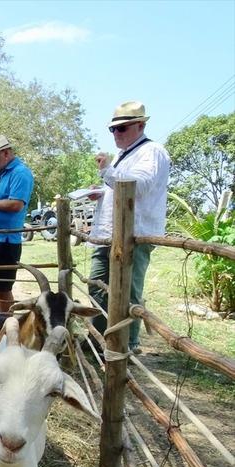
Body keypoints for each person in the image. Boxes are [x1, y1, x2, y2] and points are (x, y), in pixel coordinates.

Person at [88, 101, 171, 353]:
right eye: (113, 129)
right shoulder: (125, 156)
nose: (116, 134)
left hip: (133, 236)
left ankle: (126, 346)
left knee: (127, 293)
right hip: (109, 235)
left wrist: (107, 173)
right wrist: (101, 192)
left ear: (141, 125)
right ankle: (100, 339)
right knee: (98, 287)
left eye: (122, 128)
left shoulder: (152, 151)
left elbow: (138, 187)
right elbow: (120, 189)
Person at [0, 135, 34, 312]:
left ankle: (7, 326)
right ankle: (4, 324)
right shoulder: (0, 172)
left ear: (6, 153)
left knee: (3, 289)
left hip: (5, 240)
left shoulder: (20, 173)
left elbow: (16, 204)